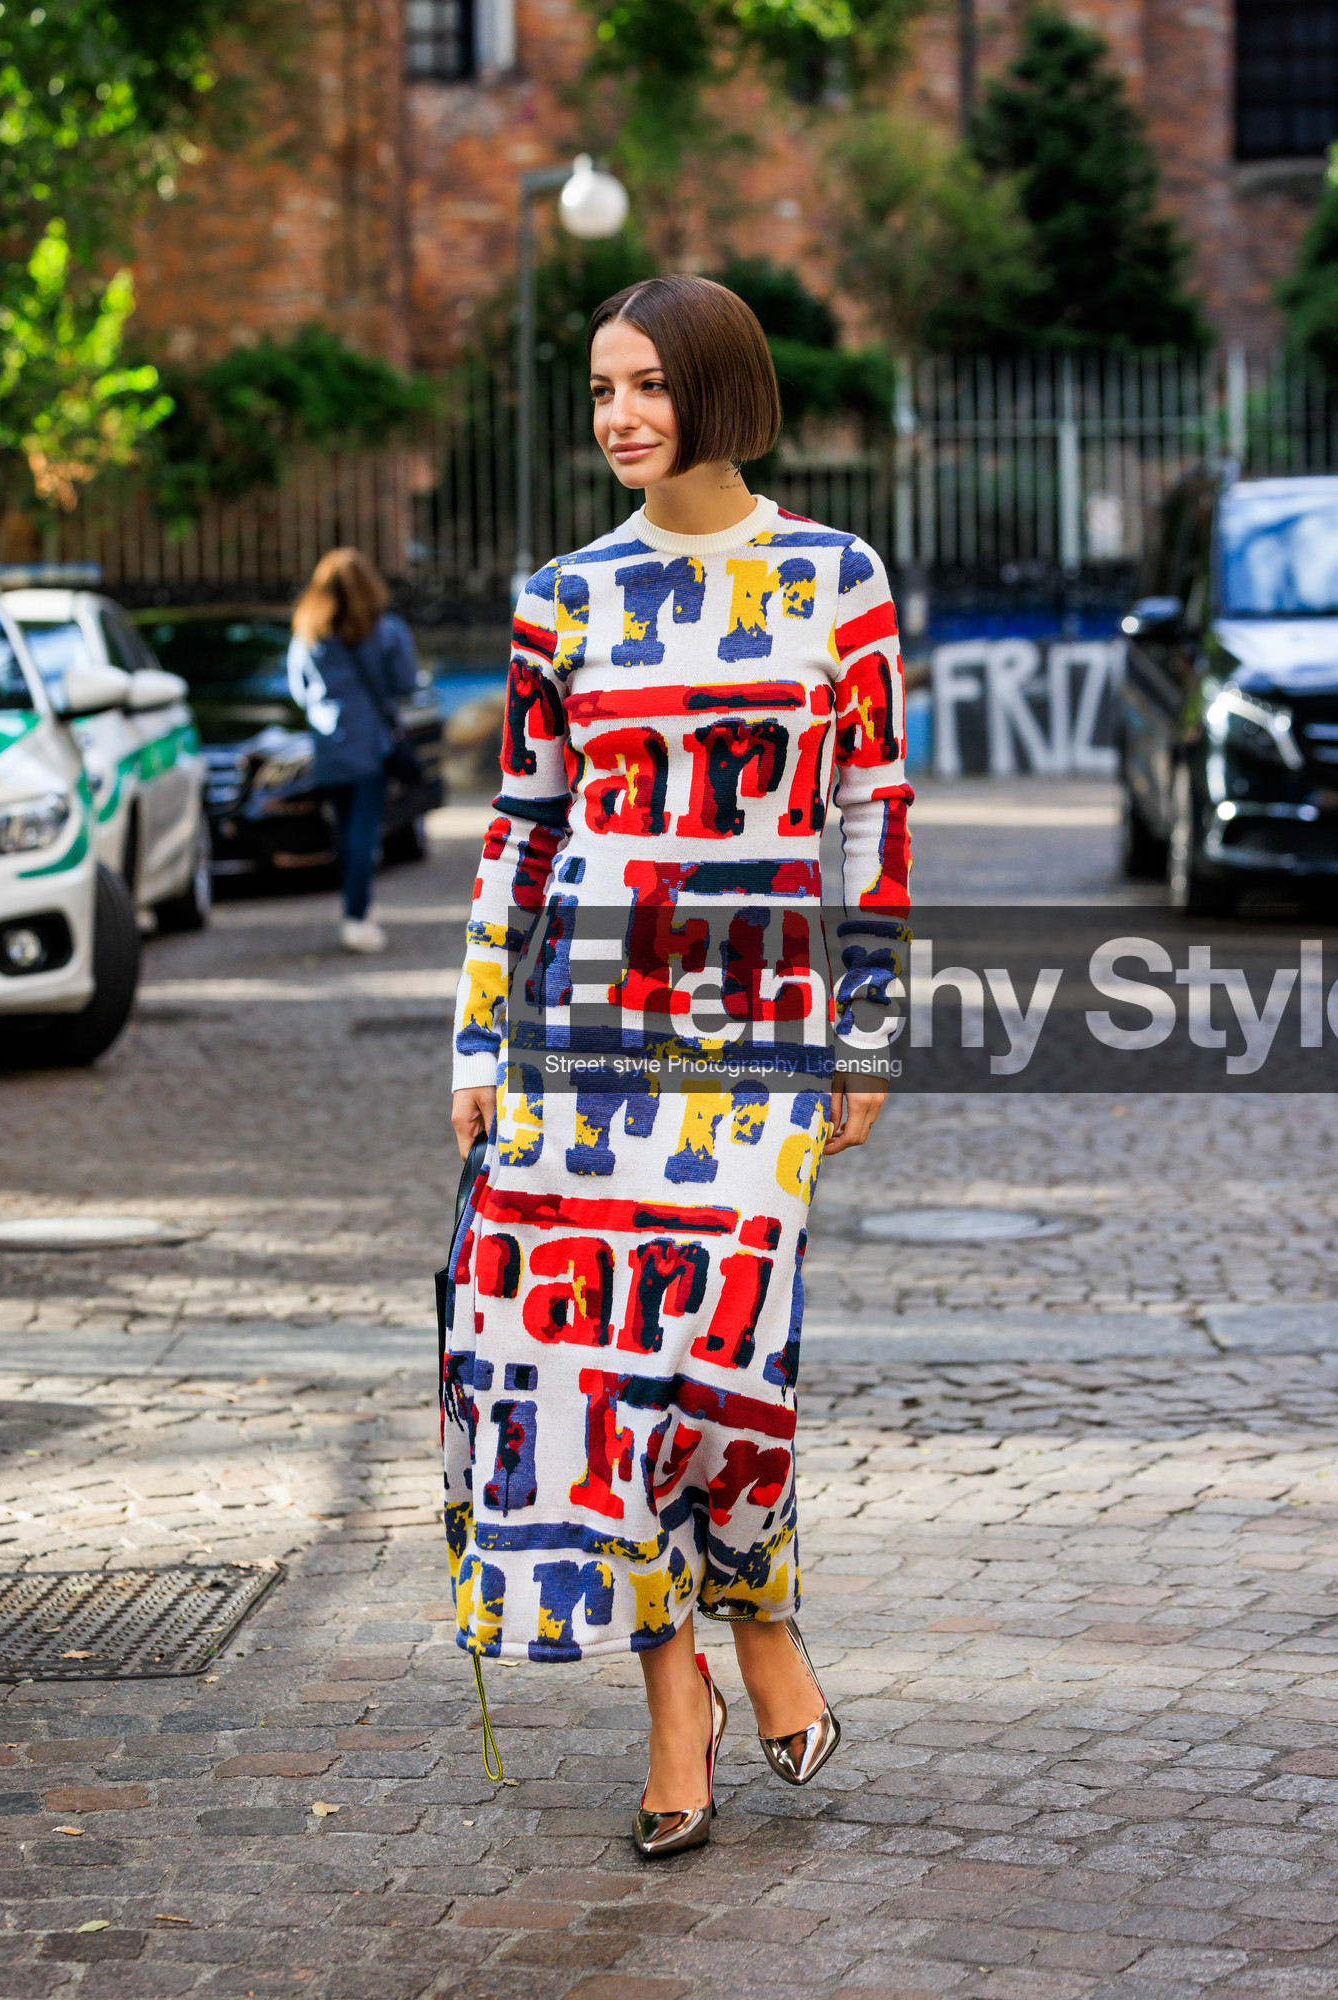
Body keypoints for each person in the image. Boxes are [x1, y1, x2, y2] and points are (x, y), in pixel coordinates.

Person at [445, 275, 911, 1858]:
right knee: (598, 1380)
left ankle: (761, 1621)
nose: (622, 418)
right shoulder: (559, 598)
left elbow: (869, 821)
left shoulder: (834, 579)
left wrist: (870, 1025)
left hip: (757, 1034)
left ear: (719, 391)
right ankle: (676, 1703)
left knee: (731, 1372)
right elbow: (524, 830)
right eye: (599, 391)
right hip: (580, 1039)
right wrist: (474, 1034)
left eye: (647, 385)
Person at [288, 548, 420, 951]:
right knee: (363, 831)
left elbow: (299, 690)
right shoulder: (386, 629)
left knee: (346, 832)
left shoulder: (309, 634)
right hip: (370, 744)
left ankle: (356, 901)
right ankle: (357, 914)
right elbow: (406, 682)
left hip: (328, 745)